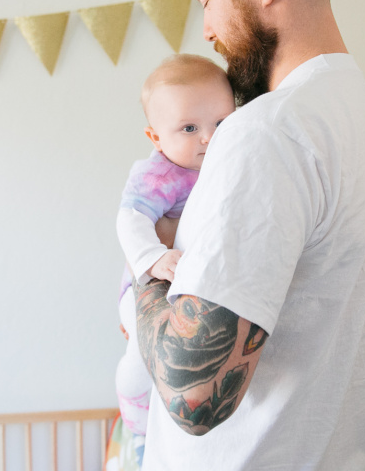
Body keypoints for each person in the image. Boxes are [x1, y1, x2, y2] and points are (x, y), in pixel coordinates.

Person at [133, 0, 365, 470]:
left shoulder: (267, 130)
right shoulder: (357, 117)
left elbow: (193, 394)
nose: (206, 29)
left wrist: (145, 272)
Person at [115, 54, 235, 446]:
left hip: (186, 288)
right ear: (156, 138)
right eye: (189, 128)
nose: (208, 137)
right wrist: (152, 257)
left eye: (221, 122)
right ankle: (135, 421)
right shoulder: (159, 173)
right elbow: (130, 218)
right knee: (143, 355)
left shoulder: (224, 163)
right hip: (142, 287)